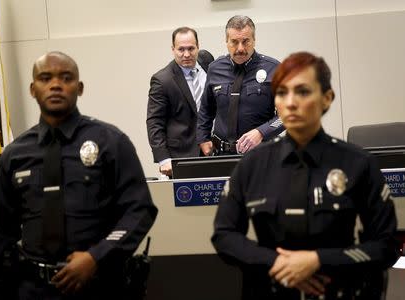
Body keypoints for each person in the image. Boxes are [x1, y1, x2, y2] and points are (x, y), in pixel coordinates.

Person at [211, 52, 399, 299]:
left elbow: (385, 245)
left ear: (327, 98)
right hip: (270, 289)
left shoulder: (357, 163)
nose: (290, 102)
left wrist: (318, 261)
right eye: (282, 93)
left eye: (302, 92)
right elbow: (224, 235)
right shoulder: (253, 164)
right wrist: (277, 263)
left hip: (336, 290)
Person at [0, 51, 158, 299]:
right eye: (45, 78)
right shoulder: (14, 155)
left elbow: (140, 211)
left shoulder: (111, 143)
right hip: (34, 289)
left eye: (66, 78)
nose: (56, 85)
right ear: (33, 89)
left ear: (80, 87)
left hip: (100, 286)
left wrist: (97, 257)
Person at [197, 15, 284, 156]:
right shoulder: (215, 68)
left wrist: (262, 132)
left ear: (254, 40)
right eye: (234, 42)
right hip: (222, 155)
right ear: (226, 41)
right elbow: (206, 110)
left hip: (261, 155)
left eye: (246, 41)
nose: (240, 48)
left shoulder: (273, 69)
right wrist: (203, 138)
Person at [147, 27, 214, 177]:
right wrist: (163, 158)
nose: (186, 54)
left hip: (213, 151)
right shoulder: (162, 80)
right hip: (182, 156)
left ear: (198, 47)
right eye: (181, 49)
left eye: (191, 48)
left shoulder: (207, 61)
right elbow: (154, 122)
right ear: (173, 49)